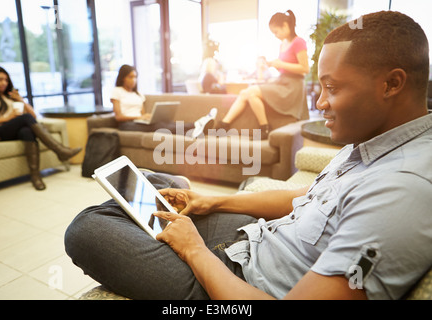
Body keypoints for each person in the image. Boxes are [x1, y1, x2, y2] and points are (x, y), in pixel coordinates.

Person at [65, 11, 432, 300]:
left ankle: (163, 203)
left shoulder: (402, 192)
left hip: (236, 280)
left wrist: (195, 251)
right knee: (153, 180)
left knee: (86, 229)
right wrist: (214, 201)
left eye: (332, 88)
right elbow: (308, 197)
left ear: (392, 84)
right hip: (254, 237)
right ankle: (174, 190)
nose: (320, 104)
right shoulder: (371, 141)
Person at [0, 66, 81, 190]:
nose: (4, 83)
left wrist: (20, 100)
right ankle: (60, 151)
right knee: (25, 118)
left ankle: (35, 177)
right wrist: (8, 118)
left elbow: (33, 115)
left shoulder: (8, 97)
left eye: (6, 80)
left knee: (27, 131)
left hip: (12, 131)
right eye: (0, 79)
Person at [216, 10, 310, 139]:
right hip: (282, 80)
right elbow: (285, 68)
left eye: (276, 32)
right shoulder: (282, 44)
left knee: (251, 92)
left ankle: (264, 128)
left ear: (285, 25)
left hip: (293, 86)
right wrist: (273, 65)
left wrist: (281, 64)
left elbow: (305, 69)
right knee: (245, 93)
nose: (275, 35)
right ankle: (224, 125)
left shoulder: (299, 42)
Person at [111, 64, 216, 139]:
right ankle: (197, 124)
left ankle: (194, 130)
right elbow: (118, 117)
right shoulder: (117, 92)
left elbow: (142, 114)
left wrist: (146, 117)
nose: (134, 80)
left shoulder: (138, 94)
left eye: (135, 77)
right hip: (126, 125)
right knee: (157, 126)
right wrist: (139, 117)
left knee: (165, 123)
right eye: (130, 77)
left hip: (139, 122)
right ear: (123, 78)